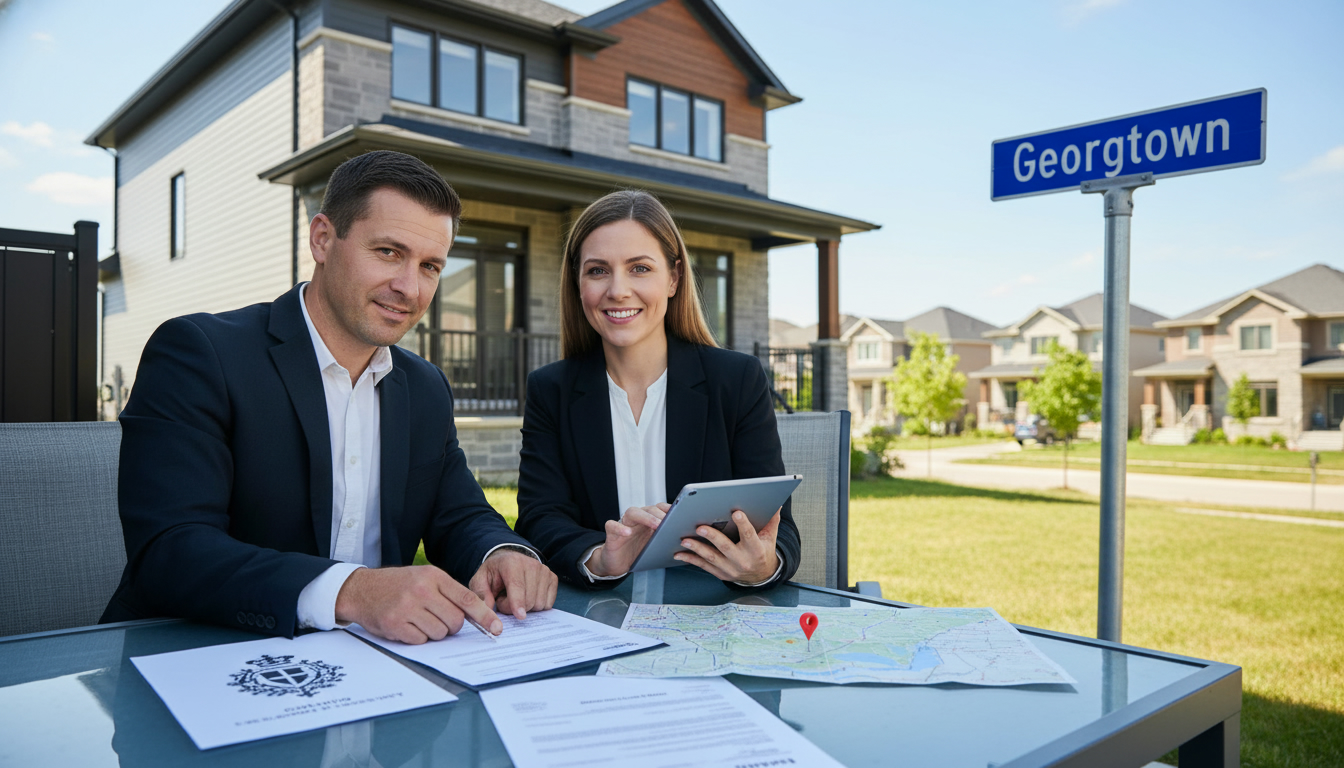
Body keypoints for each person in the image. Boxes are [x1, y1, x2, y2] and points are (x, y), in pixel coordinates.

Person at [102, 150, 556, 643]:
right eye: (388, 252)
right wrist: (353, 592)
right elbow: (170, 550)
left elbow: (460, 514)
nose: (409, 287)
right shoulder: (201, 354)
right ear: (322, 239)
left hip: (370, 666)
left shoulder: (425, 387)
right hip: (190, 655)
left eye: (430, 266)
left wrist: (501, 554)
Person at [515, 190, 800, 588]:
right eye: (597, 270)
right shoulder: (551, 390)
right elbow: (539, 517)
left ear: (674, 277)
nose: (617, 290)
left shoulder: (735, 380)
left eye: (639, 269)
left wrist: (763, 567)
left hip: (709, 622)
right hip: (601, 618)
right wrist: (600, 558)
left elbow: (777, 525)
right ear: (578, 284)